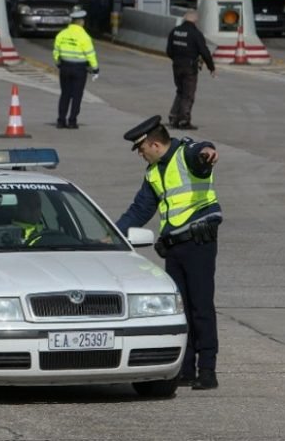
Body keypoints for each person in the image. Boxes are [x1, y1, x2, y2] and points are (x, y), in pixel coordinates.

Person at [116, 115, 222, 390]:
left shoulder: (186, 154)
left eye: (141, 149)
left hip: (199, 244)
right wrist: (112, 234)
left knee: (201, 307)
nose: (140, 155)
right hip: (173, 247)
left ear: (153, 144)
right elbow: (140, 209)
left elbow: (202, 152)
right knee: (182, 310)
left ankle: (207, 370)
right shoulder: (153, 172)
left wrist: (207, 152)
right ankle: (186, 369)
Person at [166, 9, 215, 131]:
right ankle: (183, 120)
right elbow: (204, 51)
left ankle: (173, 116)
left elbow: (169, 51)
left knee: (180, 91)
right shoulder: (195, 33)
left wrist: (177, 59)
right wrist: (211, 67)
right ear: (195, 19)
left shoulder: (175, 31)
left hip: (176, 65)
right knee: (188, 94)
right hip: (189, 67)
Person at [53, 8, 99, 129]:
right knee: (77, 95)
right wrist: (95, 68)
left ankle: (61, 121)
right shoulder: (85, 37)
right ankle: (72, 121)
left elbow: (56, 50)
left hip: (65, 67)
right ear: (81, 22)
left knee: (65, 94)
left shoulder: (62, 34)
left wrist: (58, 62)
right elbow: (90, 54)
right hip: (79, 69)